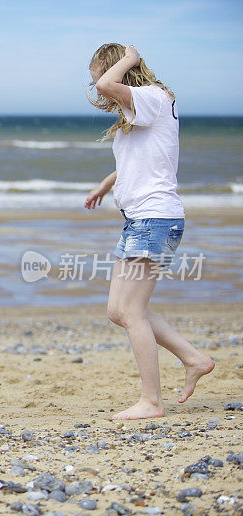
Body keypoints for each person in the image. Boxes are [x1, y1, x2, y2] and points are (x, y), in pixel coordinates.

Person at [84, 43, 214, 420]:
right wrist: (106, 184)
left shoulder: (152, 97)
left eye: (98, 81)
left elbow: (110, 84)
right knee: (118, 311)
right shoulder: (142, 106)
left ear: (124, 72)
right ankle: (193, 358)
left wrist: (128, 57)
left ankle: (152, 402)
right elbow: (146, 159)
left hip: (155, 220)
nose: (99, 91)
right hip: (140, 220)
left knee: (132, 311)